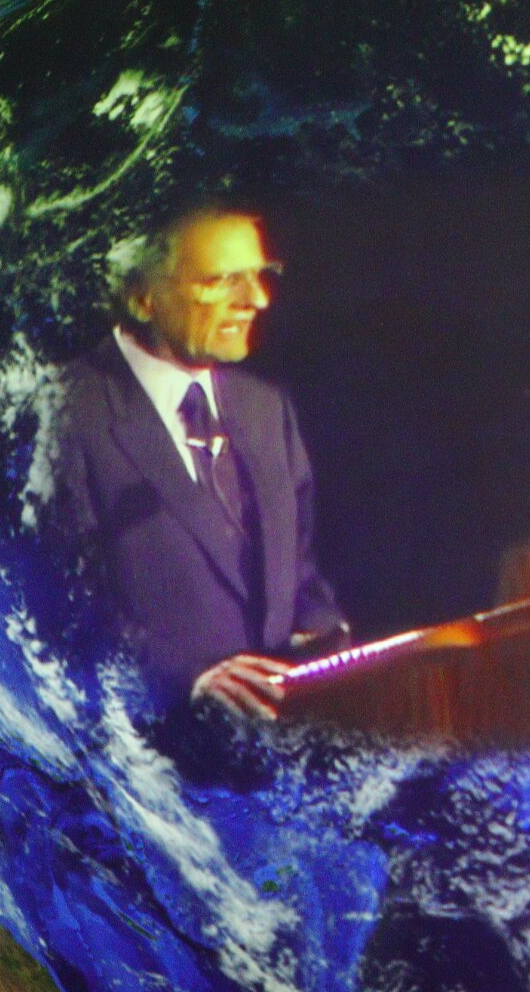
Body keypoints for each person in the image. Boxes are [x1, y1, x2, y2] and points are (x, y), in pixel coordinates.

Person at [48, 203, 347, 722]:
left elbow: (298, 573)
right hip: (152, 742)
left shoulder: (265, 409)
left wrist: (327, 638)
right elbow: (54, 606)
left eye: (259, 275)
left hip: (280, 738)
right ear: (141, 297)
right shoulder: (61, 416)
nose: (256, 300)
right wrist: (186, 679)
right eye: (221, 281)